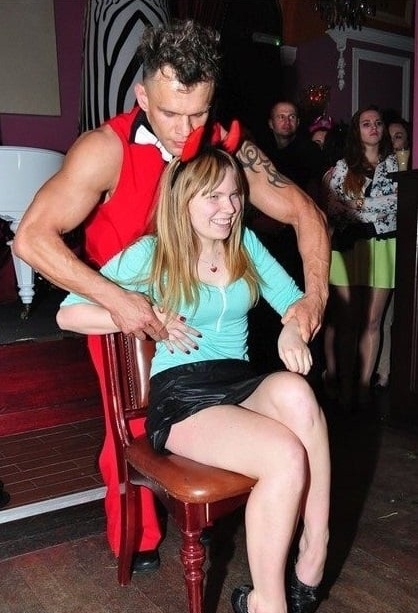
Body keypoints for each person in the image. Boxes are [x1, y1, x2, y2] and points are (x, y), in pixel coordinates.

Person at [13, 20, 330, 573]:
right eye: (169, 113)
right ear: (142, 97)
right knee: (129, 430)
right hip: (115, 293)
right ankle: (136, 537)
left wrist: (311, 301)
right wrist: (121, 302)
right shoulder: (104, 149)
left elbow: (306, 213)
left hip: (206, 304)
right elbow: (32, 238)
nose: (186, 131)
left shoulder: (228, 145)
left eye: (198, 114)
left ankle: (243, 525)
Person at [57, 143, 330, 613]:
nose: (229, 208)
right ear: (183, 200)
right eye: (214, 197)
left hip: (238, 378)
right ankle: (266, 608)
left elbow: (292, 301)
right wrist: (144, 315)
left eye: (234, 195)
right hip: (182, 394)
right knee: (283, 455)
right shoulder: (151, 253)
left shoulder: (243, 243)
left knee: (299, 394)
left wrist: (293, 331)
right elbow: (69, 314)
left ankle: (315, 546)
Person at [322, 105, 398, 409]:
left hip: (384, 245)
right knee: (347, 321)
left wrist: (360, 205)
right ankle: (345, 386)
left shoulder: (396, 164)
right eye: (366, 123)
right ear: (357, 130)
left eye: (378, 122)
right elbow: (333, 206)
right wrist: (375, 206)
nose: (374, 127)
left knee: (372, 321)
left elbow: (399, 202)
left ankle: (364, 386)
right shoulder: (343, 166)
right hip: (348, 246)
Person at [374, 116, 410, 390]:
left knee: (402, 313)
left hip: (407, 249)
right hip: (384, 247)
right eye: (391, 136)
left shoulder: (410, 173)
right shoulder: (381, 170)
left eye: (399, 136)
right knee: (381, 316)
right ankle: (382, 372)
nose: (394, 141)